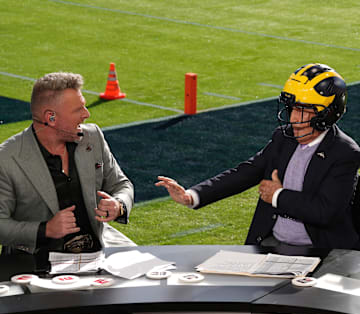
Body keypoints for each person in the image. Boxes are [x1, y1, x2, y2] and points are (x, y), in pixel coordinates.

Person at [156, 63, 360, 249]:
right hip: (271, 243)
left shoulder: (345, 152)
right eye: (292, 109)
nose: (294, 118)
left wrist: (278, 196)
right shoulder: (283, 138)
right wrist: (191, 196)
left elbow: (325, 212)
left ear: (328, 114)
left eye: (304, 111)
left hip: (321, 250)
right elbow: (247, 172)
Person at [0, 72, 135, 254]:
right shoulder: (8, 157)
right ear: (51, 118)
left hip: (95, 254)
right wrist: (45, 229)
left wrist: (119, 205)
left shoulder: (92, 137)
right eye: (78, 109)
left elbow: (121, 184)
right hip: (36, 263)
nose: (86, 114)